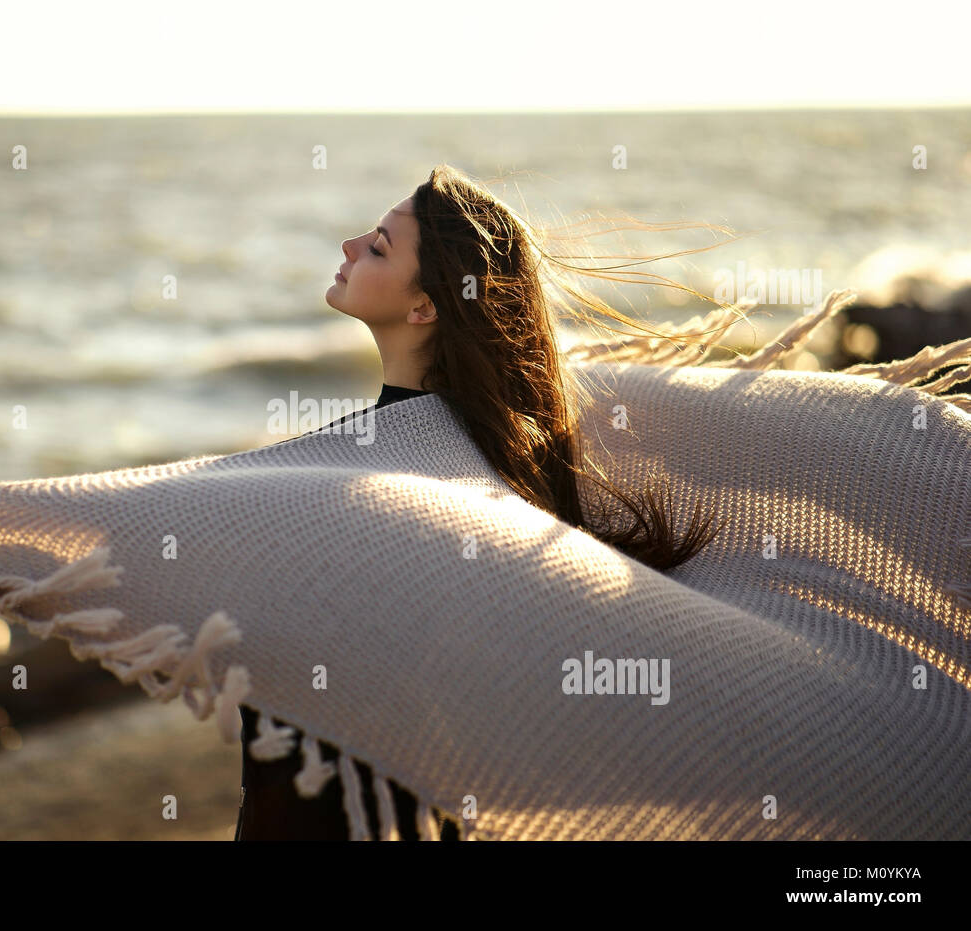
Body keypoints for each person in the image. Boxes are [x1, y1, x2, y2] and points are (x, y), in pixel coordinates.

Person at [235, 164, 736, 840]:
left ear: (424, 307)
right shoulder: (481, 463)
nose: (351, 245)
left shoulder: (404, 474)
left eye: (379, 245)